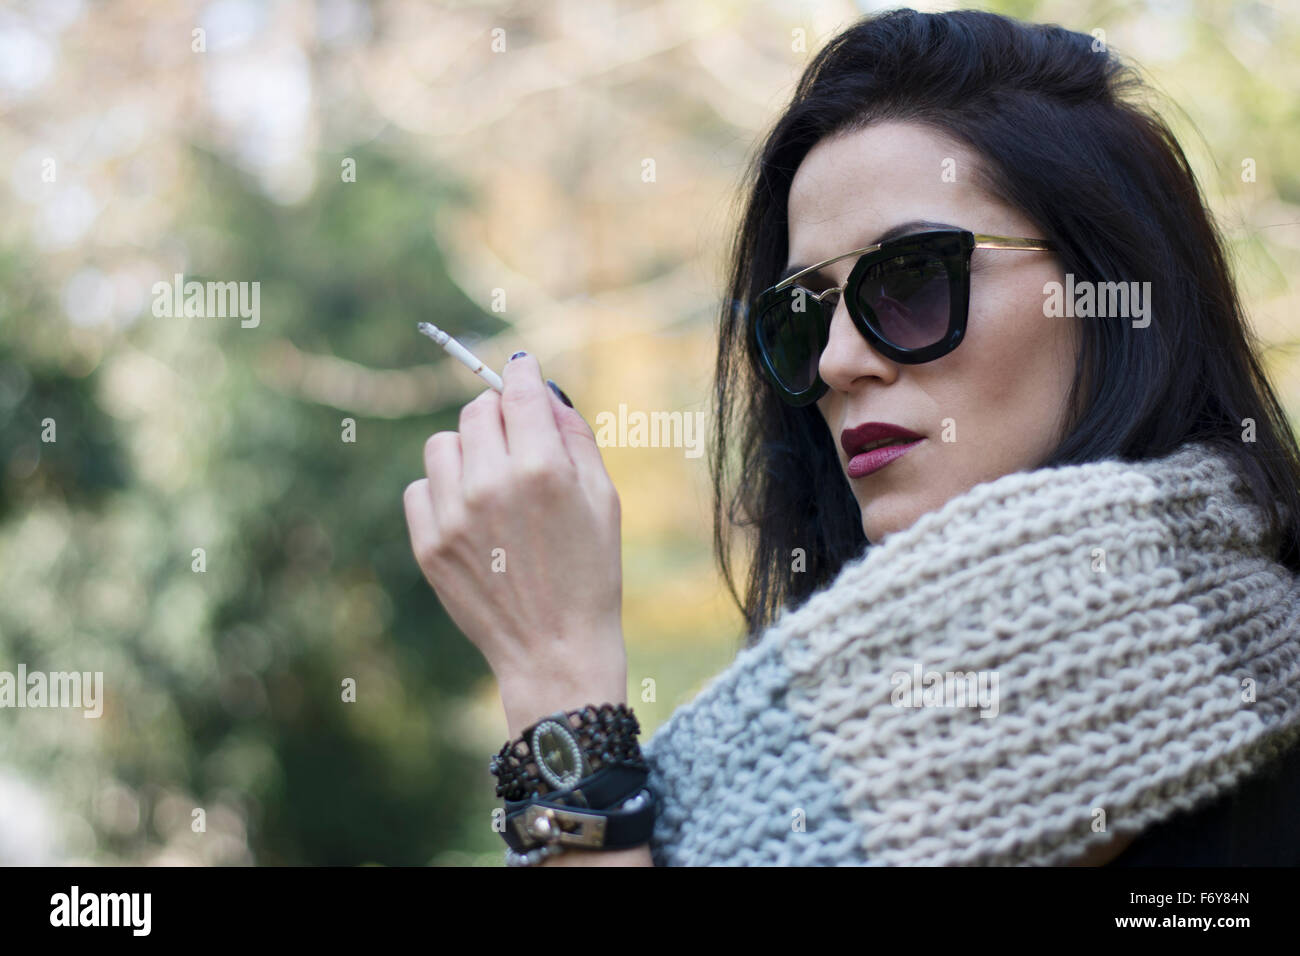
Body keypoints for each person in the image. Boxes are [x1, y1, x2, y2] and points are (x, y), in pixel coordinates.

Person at [402, 8, 1300, 866]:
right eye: (800, 316)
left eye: (912, 278)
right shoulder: (806, 739)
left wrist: (557, 677)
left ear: (1112, 293)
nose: (835, 361)